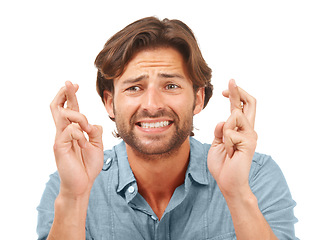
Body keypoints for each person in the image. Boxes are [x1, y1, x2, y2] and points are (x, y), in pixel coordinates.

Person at [37, 17, 298, 240]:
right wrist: (74, 197)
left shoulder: (254, 177)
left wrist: (238, 194)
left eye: (170, 86)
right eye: (134, 88)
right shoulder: (67, 185)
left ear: (198, 98)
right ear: (110, 103)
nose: (152, 105)